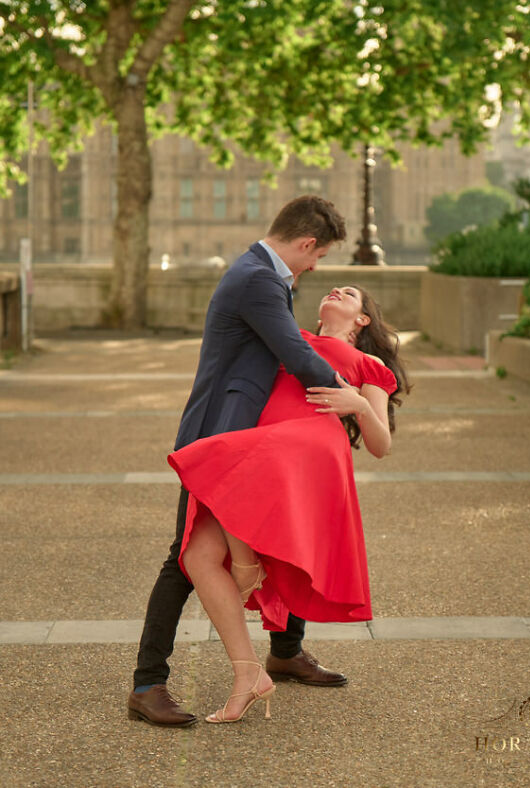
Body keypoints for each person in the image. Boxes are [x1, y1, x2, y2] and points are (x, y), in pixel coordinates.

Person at [128, 195, 347, 727]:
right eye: (317, 257)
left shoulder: (263, 275)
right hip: (218, 439)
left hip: (242, 437)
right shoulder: (257, 279)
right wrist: (351, 396)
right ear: (306, 243)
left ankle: (284, 651)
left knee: (282, 534)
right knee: (184, 558)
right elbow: (294, 354)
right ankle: (146, 684)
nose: (315, 268)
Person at [168, 285, 408, 723]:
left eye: (349, 293)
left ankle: (246, 566)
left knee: (219, 458)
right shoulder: (288, 338)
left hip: (306, 448)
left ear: (362, 320)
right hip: (262, 444)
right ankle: (248, 675)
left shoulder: (369, 365)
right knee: (198, 557)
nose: (337, 291)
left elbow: (381, 446)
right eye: (334, 288)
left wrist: (358, 404)